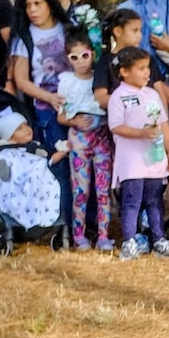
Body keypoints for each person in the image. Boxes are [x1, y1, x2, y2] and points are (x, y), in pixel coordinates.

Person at [105, 45, 169, 258]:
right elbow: (116, 126)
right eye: (141, 68)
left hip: (154, 159)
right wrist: (141, 134)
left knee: (155, 200)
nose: (147, 73)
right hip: (131, 161)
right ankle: (129, 241)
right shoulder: (118, 97)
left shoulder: (153, 94)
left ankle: (159, 239)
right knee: (132, 201)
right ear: (124, 72)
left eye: (148, 68)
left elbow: (163, 124)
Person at [58, 38, 113, 252]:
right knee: (80, 188)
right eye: (74, 57)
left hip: (101, 135)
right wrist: (74, 121)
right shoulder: (66, 81)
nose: (80, 61)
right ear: (68, 59)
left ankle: (103, 235)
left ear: (92, 54)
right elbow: (61, 116)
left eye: (85, 55)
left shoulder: (100, 77)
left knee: (103, 188)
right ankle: (78, 234)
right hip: (78, 138)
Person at [0, 107, 66, 231]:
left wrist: (64, 150)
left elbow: (49, 160)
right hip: (15, 177)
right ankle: (1, 170)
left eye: (27, 125)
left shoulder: (35, 147)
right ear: (10, 136)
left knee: (40, 166)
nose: (27, 130)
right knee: (4, 160)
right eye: (20, 129)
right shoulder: (4, 149)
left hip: (37, 178)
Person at [8, 0, 72, 148]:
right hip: (46, 111)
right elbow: (21, 80)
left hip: (77, 104)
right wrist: (49, 98)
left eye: (37, 3)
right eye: (28, 5)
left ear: (49, 4)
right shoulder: (24, 38)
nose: (32, 10)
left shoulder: (69, 29)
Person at [90, 7, 169, 111]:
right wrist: (132, 99)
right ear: (118, 31)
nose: (139, 36)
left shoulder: (147, 58)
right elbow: (100, 99)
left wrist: (165, 120)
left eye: (140, 31)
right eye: (134, 31)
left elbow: (159, 91)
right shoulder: (105, 62)